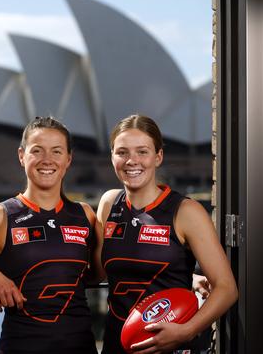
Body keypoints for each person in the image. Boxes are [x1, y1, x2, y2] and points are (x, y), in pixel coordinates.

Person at [97, 114, 238, 353]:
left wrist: (187, 330)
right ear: (112, 157)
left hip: (170, 346)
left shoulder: (185, 211)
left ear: (158, 156)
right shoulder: (109, 203)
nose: (132, 160)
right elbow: (95, 272)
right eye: (122, 152)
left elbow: (226, 288)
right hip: (116, 345)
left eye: (142, 151)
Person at [0, 116, 104, 354]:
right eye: (37, 150)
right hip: (21, 346)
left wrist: (190, 278)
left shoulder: (85, 215)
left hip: (81, 346)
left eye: (56, 152)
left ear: (68, 159)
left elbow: (97, 275)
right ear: (21, 156)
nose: (47, 160)